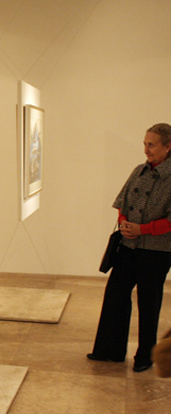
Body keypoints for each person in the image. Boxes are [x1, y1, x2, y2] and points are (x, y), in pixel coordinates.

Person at [88, 123, 171, 372]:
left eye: (151, 145)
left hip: (156, 252)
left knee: (149, 303)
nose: (146, 149)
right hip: (128, 246)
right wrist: (124, 223)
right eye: (145, 143)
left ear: (168, 147)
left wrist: (142, 230)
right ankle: (109, 351)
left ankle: (145, 357)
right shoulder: (139, 171)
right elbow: (122, 203)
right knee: (115, 295)